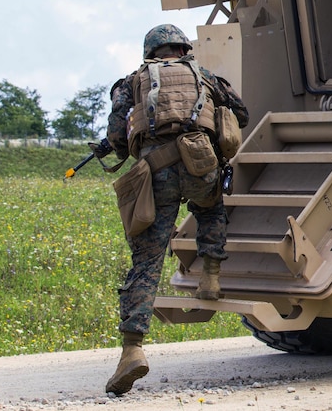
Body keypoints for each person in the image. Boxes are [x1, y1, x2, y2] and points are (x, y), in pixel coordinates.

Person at [102, 24, 249, 395]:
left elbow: (120, 140)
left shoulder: (131, 82)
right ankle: (211, 275)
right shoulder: (206, 76)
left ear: (149, 51)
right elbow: (240, 115)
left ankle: (133, 349)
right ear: (184, 49)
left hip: (158, 176)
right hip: (202, 164)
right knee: (211, 205)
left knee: (147, 262)